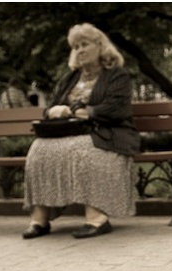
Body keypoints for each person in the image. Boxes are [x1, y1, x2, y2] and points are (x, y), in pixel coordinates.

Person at [22, 23, 139, 239]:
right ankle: (39, 219)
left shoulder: (116, 76)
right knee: (38, 151)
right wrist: (54, 111)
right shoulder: (70, 78)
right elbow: (51, 107)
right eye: (76, 46)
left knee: (84, 151)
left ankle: (97, 219)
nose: (80, 50)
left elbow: (117, 109)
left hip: (108, 134)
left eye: (84, 44)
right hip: (70, 134)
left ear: (100, 46)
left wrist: (83, 112)